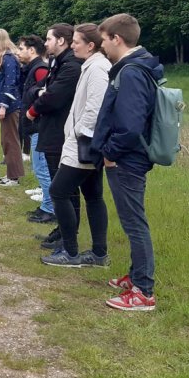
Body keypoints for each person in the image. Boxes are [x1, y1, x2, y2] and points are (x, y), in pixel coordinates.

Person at [92, 13, 163, 311]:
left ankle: (143, 291)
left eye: (105, 40)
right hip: (128, 157)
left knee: (135, 223)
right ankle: (135, 277)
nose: (103, 46)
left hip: (127, 160)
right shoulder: (137, 67)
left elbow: (130, 126)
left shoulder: (131, 72)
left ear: (117, 39)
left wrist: (110, 151)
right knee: (133, 220)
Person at [41, 23, 111, 267]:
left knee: (58, 192)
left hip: (84, 145)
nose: (72, 46)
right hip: (86, 143)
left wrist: (79, 132)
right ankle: (99, 254)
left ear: (90, 45)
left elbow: (96, 106)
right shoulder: (91, 66)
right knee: (93, 196)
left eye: (77, 42)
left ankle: (70, 253)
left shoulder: (98, 68)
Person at [25, 24, 82, 236]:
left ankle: (67, 236)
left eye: (48, 39)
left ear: (60, 41)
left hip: (60, 131)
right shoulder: (60, 63)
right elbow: (40, 89)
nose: (45, 43)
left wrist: (34, 108)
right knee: (61, 186)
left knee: (64, 189)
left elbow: (53, 96)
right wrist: (40, 93)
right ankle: (63, 231)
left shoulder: (71, 66)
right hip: (53, 129)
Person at [17, 36, 51, 211]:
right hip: (34, 125)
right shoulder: (32, 68)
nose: (18, 52)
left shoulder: (40, 69)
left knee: (42, 167)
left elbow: (45, 96)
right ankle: (46, 204)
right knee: (39, 167)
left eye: (21, 48)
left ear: (32, 50)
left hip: (39, 125)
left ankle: (48, 208)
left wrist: (32, 113)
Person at [0, 29, 24, 187]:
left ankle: (14, 177)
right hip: (3, 106)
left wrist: (3, 106)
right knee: (5, 141)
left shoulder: (8, 58)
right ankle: (10, 174)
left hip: (10, 106)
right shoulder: (2, 58)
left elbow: (10, 84)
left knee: (11, 141)